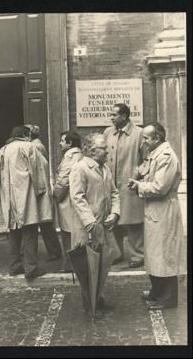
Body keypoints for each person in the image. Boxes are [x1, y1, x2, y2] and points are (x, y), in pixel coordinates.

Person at [128, 123, 186, 310]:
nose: (143, 142)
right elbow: (149, 177)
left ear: (157, 138)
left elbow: (160, 187)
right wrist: (139, 179)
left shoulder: (166, 156)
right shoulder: (156, 153)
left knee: (165, 254)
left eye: (146, 138)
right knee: (154, 254)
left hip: (163, 210)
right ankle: (157, 290)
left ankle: (168, 298)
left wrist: (139, 186)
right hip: (155, 210)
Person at [69, 133, 120, 312]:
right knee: (87, 265)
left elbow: (114, 193)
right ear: (91, 150)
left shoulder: (105, 168)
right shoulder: (80, 168)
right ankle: (90, 305)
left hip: (102, 225)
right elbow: (77, 197)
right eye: (103, 148)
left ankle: (97, 298)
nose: (107, 152)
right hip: (87, 227)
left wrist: (114, 213)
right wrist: (90, 222)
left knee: (100, 264)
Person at [0, 125, 50, 280]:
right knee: (30, 231)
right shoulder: (29, 147)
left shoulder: (3, 150)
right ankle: (30, 268)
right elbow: (40, 168)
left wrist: (0, 195)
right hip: (27, 195)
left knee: (13, 231)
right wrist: (41, 192)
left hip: (9, 195)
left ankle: (14, 266)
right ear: (25, 135)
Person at [103, 103, 145, 268]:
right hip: (111, 185)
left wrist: (136, 175)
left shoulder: (139, 133)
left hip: (129, 185)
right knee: (113, 220)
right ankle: (117, 253)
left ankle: (138, 255)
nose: (111, 118)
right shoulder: (108, 132)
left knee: (133, 222)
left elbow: (146, 160)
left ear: (125, 116)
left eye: (114, 115)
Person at [25, 124, 62, 262]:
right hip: (41, 188)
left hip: (40, 189)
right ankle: (54, 251)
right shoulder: (36, 145)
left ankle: (54, 252)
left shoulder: (35, 147)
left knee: (45, 224)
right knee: (45, 223)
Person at [53, 131, 83, 272]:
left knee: (68, 233)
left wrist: (55, 195)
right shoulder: (78, 155)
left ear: (70, 143)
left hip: (68, 200)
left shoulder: (70, 157)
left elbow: (63, 180)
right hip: (71, 199)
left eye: (62, 141)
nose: (60, 143)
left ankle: (70, 264)